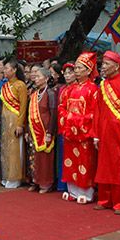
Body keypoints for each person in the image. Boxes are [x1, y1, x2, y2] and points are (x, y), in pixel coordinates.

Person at [93, 51, 120, 214]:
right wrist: (96, 134)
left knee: (119, 168)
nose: (103, 67)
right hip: (104, 133)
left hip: (119, 133)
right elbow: (97, 111)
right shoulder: (102, 85)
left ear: (117, 66)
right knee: (104, 167)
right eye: (102, 64)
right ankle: (104, 200)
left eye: (106, 64)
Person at [59, 52, 99, 204]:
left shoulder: (93, 89)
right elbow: (62, 107)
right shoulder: (68, 89)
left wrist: (76, 120)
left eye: (79, 68)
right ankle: (73, 191)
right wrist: (69, 120)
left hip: (84, 132)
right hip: (70, 132)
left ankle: (86, 192)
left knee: (85, 161)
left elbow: (94, 113)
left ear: (88, 70)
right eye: (75, 68)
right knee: (70, 161)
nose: (76, 71)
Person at [0, 59, 29, 188]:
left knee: (15, 149)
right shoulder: (5, 85)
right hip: (5, 121)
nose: (4, 71)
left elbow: (23, 106)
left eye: (7, 68)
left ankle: (15, 177)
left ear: (14, 69)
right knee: (5, 149)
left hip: (15, 120)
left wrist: (20, 124)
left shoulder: (20, 85)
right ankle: (6, 175)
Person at [26, 66, 57, 193]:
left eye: (39, 76)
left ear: (46, 78)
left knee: (45, 158)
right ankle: (35, 180)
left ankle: (46, 183)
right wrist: (28, 131)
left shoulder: (50, 93)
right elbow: (29, 114)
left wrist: (50, 132)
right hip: (34, 131)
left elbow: (54, 114)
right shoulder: (34, 94)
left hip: (45, 131)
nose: (36, 78)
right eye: (35, 76)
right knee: (33, 157)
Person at [55, 62, 76, 192]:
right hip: (62, 126)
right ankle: (62, 184)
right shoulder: (62, 89)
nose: (68, 76)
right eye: (66, 73)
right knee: (62, 155)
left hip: (74, 126)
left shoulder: (78, 88)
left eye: (71, 72)